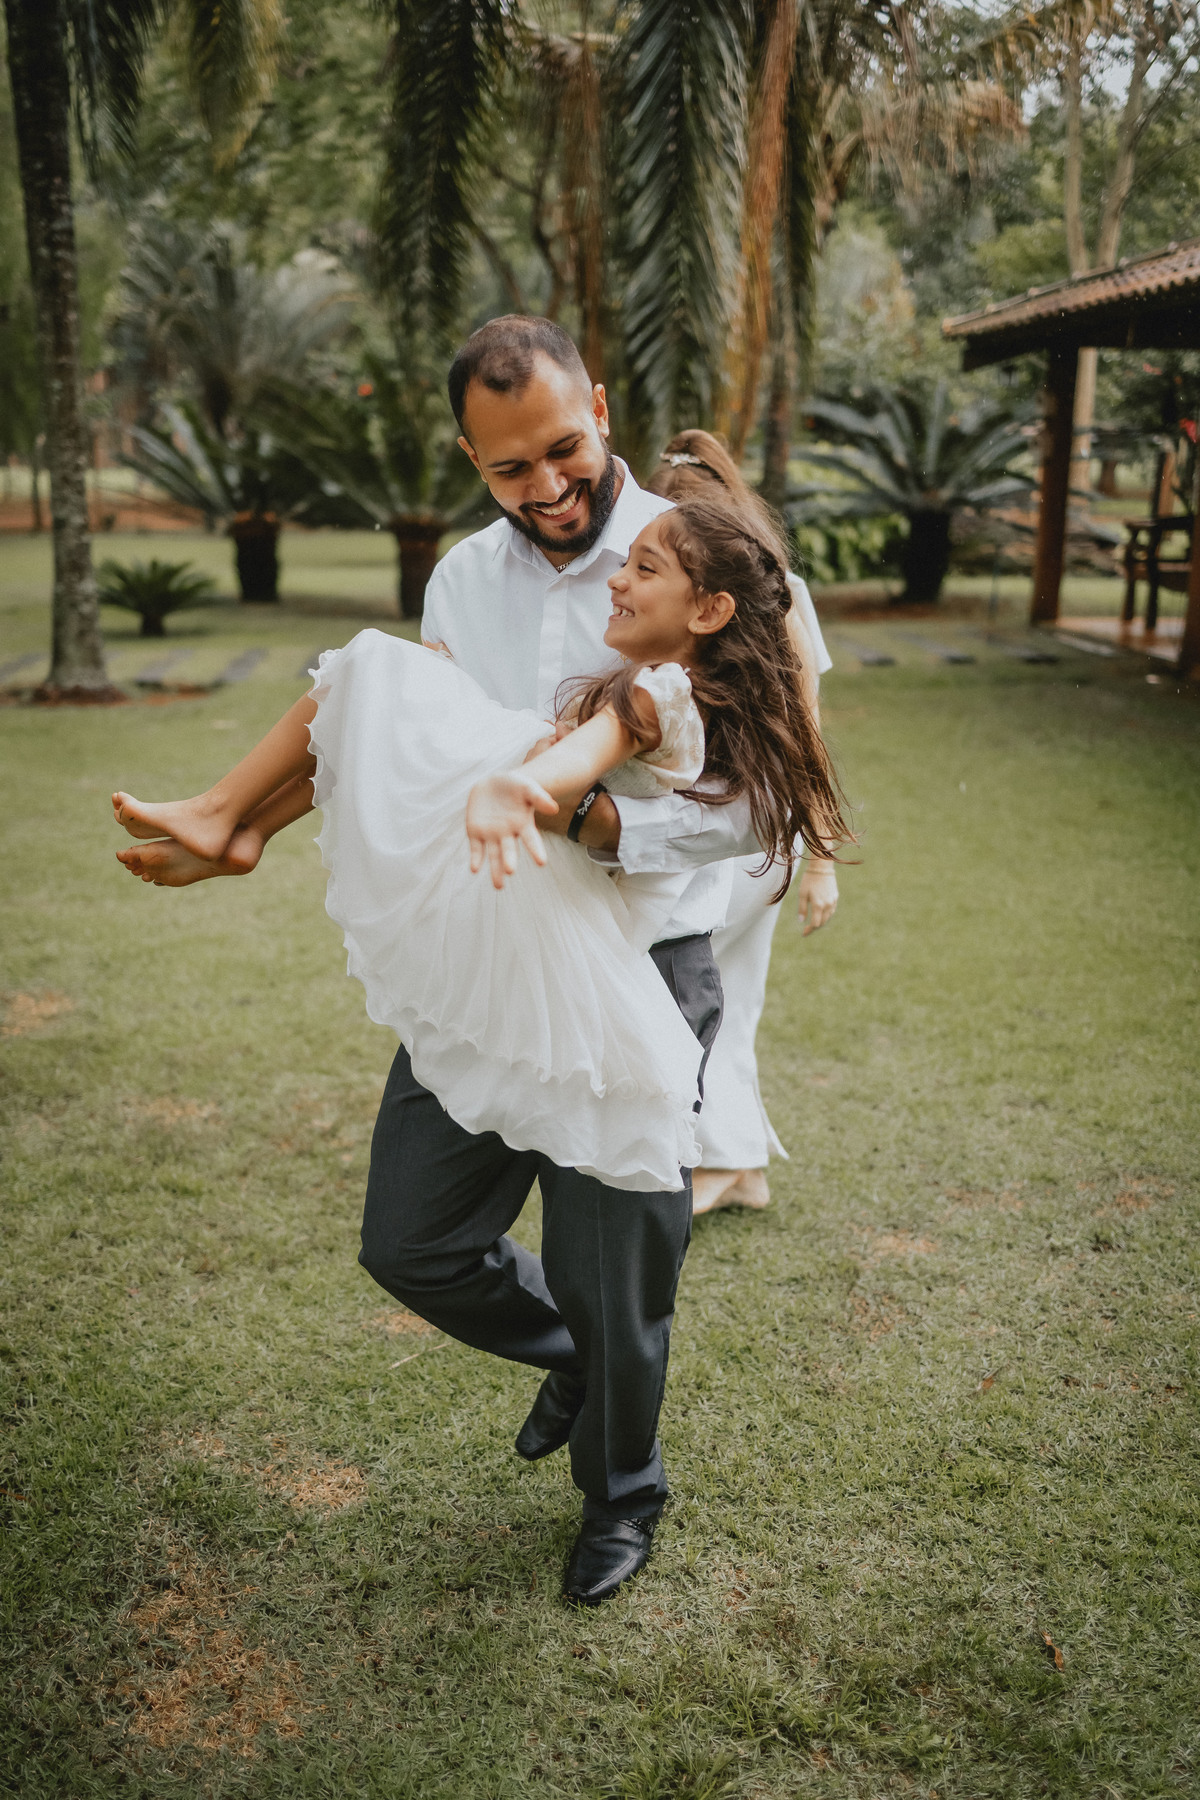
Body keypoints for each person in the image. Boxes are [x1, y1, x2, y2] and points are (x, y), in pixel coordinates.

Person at [112, 317, 848, 1607]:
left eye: (564, 450)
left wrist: (603, 824)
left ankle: (623, 1497)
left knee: (617, 1268)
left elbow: (767, 791)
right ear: (471, 456)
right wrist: (281, 821)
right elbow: (417, 740)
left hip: (644, 960)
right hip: (495, 954)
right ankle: (576, 1358)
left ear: (600, 410)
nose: (548, 487)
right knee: (412, 1241)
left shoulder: (701, 553)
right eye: (511, 468)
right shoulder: (461, 578)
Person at [647, 431, 839, 1216]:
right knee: (730, 996)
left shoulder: (771, 596)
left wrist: (822, 863)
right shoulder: (697, 593)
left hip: (739, 837)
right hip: (734, 831)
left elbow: (807, 730)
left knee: (694, 989)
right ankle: (738, 1166)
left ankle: (717, 1159)